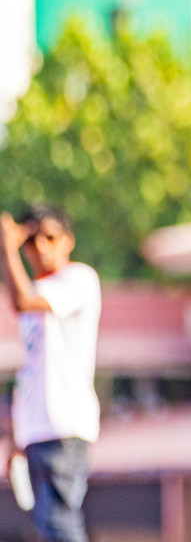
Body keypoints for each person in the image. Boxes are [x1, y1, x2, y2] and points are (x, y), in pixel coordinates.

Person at [0, 208, 100, 542]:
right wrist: (16, 435)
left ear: (68, 241)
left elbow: (23, 301)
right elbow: (32, 369)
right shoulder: (35, 289)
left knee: (58, 518)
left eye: (50, 237)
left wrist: (7, 247)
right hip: (37, 429)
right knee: (47, 521)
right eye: (32, 239)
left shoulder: (78, 279)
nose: (40, 246)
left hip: (63, 423)